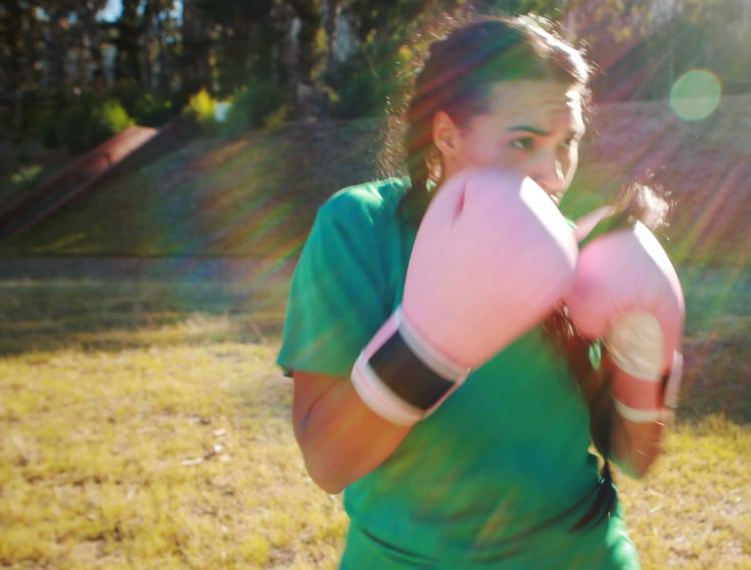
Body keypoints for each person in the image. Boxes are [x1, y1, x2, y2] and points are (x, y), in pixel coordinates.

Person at [277, 14, 684, 569]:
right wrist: (425, 348)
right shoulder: (361, 228)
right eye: (524, 141)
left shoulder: (579, 255)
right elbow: (328, 461)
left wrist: (645, 362)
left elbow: (635, 457)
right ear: (447, 135)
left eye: (569, 143)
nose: (554, 172)